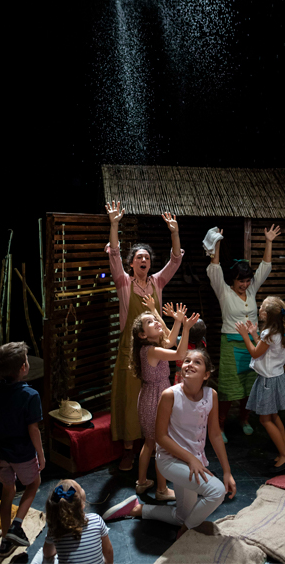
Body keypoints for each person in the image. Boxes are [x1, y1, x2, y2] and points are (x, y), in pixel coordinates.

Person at [102, 348, 237, 540]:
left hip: (193, 463)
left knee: (183, 516)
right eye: (187, 360)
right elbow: (160, 437)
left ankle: (137, 509)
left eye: (197, 362)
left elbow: (215, 434)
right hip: (170, 461)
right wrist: (190, 458)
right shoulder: (170, 395)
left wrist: (227, 471)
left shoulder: (211, 395)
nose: (190, 364)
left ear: (206, 374)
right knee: (217, 491)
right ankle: (184, 532)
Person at [105, 200, 184, 470]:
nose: (143, 260)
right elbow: (114, 255)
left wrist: (174, 232)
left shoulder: (157, 282)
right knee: (130, 401)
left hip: (154, 352)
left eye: (147, 258)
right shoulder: (123, 282)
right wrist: (114, 224)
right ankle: (128, 449)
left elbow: (175, 260)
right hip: (130, 352)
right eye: (138, 257)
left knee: (153, 399)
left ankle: (151, 444)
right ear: (131, 263)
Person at [206, 224, 281, 443]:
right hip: (231, 344)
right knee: (229, 387)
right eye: (241, 280)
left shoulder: (252, 290)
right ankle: (220, 424)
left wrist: (268, 241)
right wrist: (217, 242)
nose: (245, 284)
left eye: (247, 280)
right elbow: (214, 267)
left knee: (250, 386)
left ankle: (244, 419)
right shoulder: (224, 292)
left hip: (254, 346)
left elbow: (265, 267)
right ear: (233, 279)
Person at [130, 308, 199, 501]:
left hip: (148, 398)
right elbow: (180, 353)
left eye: (155, 319)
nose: (156, 322)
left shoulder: (150, 348)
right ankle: (161, 490)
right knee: (161, 445)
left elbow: (170, 342)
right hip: (156, 401)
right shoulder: (152, 350)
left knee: (149, 443)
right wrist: (186, 328)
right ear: (143, 335)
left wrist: (176, 321)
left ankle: (141, 482)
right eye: (150, 322)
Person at [0, 342, 45, 559]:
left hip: (0, 453)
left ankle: (5, 542)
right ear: (23, 367)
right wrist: (41, 455)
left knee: (7, 491)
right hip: (22, 454)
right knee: (34, 483)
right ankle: (16, 526)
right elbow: (33, 430)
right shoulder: (31, 395)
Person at [236, 296, 285, 473]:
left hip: (269, 380)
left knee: (265, 419)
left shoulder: (269, 333)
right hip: (275, 377)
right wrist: (254, 334)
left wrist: (245, 336)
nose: (259, 309)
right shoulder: (276, 330)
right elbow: (263, 350)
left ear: (267, 314)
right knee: (274, 416)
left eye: (261, 307)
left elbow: (255, 353)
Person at [33, 479, 114, 564]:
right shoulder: (96, 520)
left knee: (43, 557)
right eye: (81, 488)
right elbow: (108, 550)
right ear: (82, 505)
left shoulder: (55, 529)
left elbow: (47, 553)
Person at [161, 302, 207, 385]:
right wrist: (174, 315)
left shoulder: (182, 343)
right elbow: (188, 325)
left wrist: (154, 311)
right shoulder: (202, 342)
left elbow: (168, 334)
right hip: (196, 376)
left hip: (183, 376)